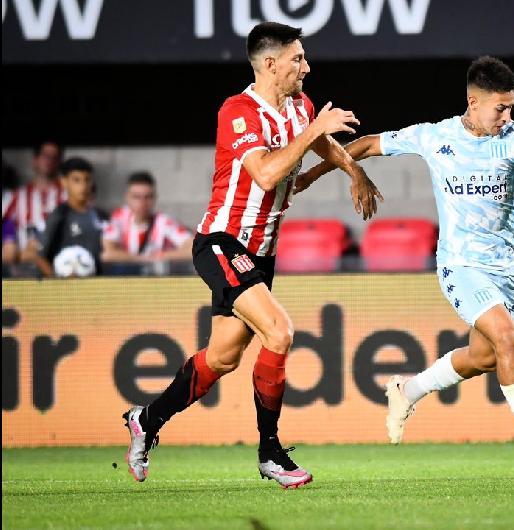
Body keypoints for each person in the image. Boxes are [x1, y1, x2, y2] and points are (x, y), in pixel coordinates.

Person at [297, 56, 514, 473]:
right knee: (508, 340)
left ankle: (410, 388)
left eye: (511, 106)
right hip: (459, 266)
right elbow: (367, 144)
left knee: (486, 357)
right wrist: (315, 176)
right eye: (501, 107)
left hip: (505, 269)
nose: (508, 116)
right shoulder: (435, 137)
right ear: (473, 102)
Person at [121, 21, 383, 488]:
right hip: (222, 242)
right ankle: (270, 453)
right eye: (297, 59)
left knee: (221, 357)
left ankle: (146, 419)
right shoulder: (238, 111)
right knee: (279, 332)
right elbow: (264, 174)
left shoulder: (299, 107)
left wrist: (351, 171)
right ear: (269, 64)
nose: (306, 66)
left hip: (260, 253)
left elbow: (319, 141)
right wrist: (313, 132)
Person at [27, 157, 104, 277]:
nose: (83, 186)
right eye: (76, 180)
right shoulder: (58, 215)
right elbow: (38, 256)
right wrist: (58, 282)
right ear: (64, 181)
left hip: (93, 287)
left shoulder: (98, 215)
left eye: (87, 180)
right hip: (64, 289)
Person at [102, 171, 193, 268]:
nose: (142, 203)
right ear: (127, 198)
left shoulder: (163, 221)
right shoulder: (119, 218)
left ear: (155, 198)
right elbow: (108, 254)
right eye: (136, 197)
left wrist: (160, 256)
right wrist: (145, 259)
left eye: (148, 197)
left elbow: (193, 248)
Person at [2, 140, 65, 250]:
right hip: (25, 260)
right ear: (35, 160)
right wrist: (8, 239)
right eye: (46, 156)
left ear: (60, 162)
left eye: (54, 157)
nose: (49, 161)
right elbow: (7, 221)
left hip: (60, 260)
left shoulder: (67, 196)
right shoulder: (17, 196)